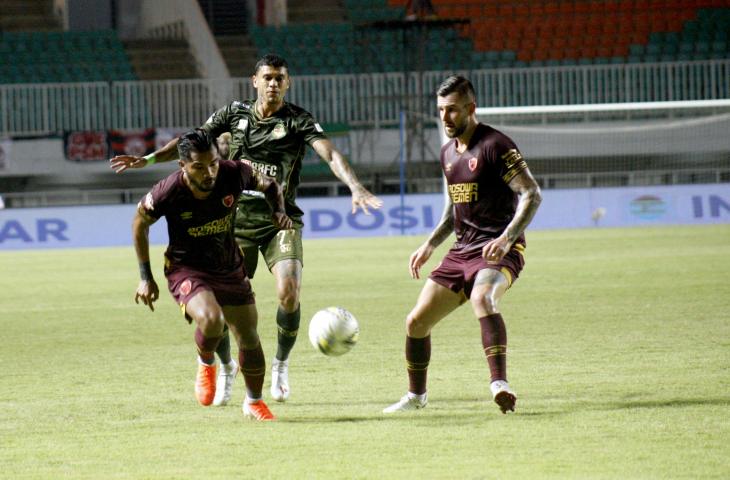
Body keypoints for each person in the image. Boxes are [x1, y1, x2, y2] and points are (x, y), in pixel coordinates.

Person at [112, 54, 382, 406]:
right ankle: (226, 368)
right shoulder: (233, 114)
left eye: (280, 78)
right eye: (267, 77)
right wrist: (147, 160)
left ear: (288, 83)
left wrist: (355, 186)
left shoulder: (298, 120)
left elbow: (329, 154)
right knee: (222, 309)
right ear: (254, 80)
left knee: (289, 290)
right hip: (233, 223)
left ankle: (281, 366)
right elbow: (191, 143)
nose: (273, 83)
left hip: (278, 220)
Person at [383, 75, 542, 415]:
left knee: (482, 298)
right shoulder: (447, 153)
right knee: (415, 323)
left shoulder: (496, 145)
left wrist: (507, 238)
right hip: (461, 252)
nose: (445, 117)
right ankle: (416, 397)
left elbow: (531, 193)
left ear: (471, 108)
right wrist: (429, 245)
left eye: (452, 110)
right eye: (440, 110)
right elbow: (454, 208)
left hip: (498, 249)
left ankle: (499, 383)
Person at [132, 129, 293, 421]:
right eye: (199, 166)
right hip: (187, 268)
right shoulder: (167, 191)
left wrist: (277, 210)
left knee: (249, 337)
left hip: (229, 266)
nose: (209, 172)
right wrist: (146, 277)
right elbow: (139, 223)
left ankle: (253, 402)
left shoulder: (234, 173)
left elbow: (271, 185)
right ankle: (206, 362)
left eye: (213, 164)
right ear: (182, 166)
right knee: (212, 319)